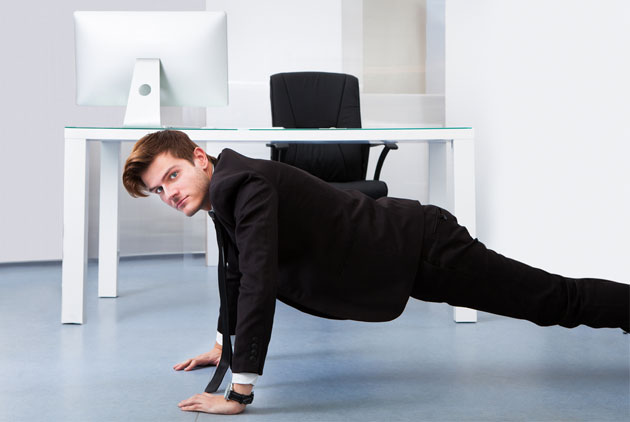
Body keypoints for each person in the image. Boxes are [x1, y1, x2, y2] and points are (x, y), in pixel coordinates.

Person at [122, 130, 629, 415]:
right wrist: (223, 342)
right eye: (159, 191)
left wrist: (239, 391)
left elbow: (259, 280)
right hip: (404, 257)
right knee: (550, 302)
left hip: (425, 248)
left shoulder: (242, 185)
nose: (171, 193)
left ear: (199, 158)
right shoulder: (226, 191)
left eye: (172, 176)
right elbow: (235, 273)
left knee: (552, 302)